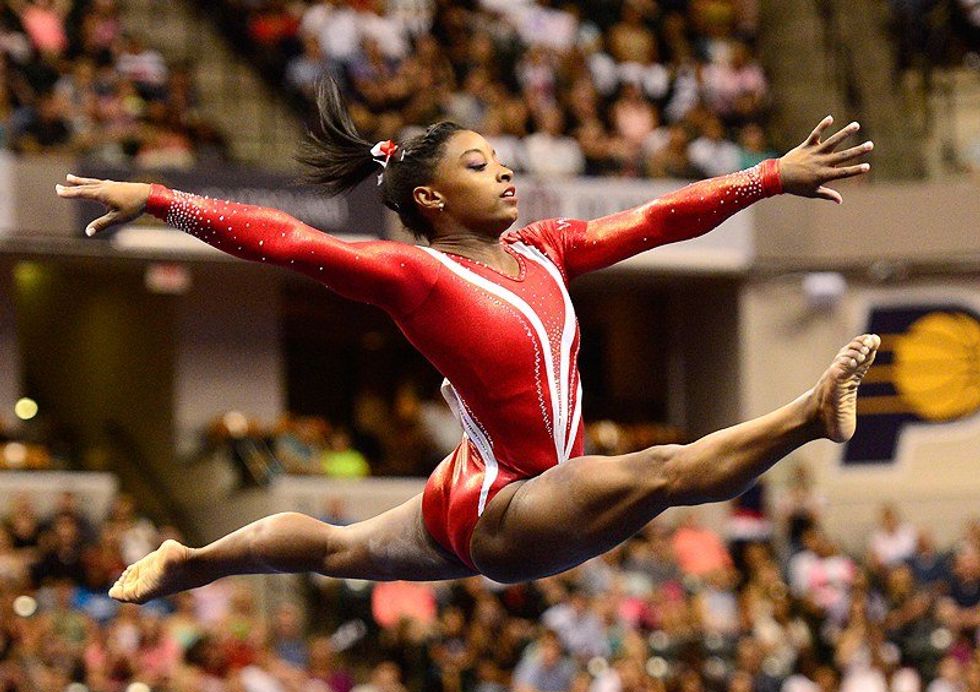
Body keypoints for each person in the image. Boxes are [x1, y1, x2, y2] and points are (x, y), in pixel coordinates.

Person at [55, 78, 879, 599]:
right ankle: (810, 414)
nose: (504, 172)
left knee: (338, 548)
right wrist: (164, 198)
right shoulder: (421, 278)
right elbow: (289, 239)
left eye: (500, 160)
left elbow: (659, 218)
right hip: (510, 506)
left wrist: (767, 176)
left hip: (480, 486)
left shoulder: (546, 250)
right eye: (480, 166)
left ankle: (192, 560)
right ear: (432, 201)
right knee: (660, 470)